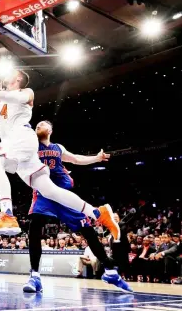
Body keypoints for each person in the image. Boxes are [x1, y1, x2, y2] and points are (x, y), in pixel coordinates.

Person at [0, 36, 120, 241]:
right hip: (19, 148)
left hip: (21, 136)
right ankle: (97, 212)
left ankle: (8, 214)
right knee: (50, 191)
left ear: (19, 78)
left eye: (12, 73)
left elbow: (16, 98)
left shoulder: (26, 92)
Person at [22, 121, 131, 293]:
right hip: (44, 194)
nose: (38, 126)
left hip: (64, 195)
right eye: (36, 125)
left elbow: (76, 159)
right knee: (34, 225)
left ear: (50, 129)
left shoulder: (58, 147)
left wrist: (96, 158)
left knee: (87, 230)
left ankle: (109, 270)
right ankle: (35, 276)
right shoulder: (31, 145)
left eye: (41, 124)